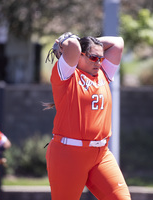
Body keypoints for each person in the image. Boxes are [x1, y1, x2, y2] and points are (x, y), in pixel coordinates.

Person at [44, 33, 131, 200]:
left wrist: (89, 41)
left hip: (100, 154)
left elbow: (118, 43)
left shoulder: (102, 74)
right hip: (69, 155)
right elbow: (73, 47)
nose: (98, 62)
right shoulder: (67, 77)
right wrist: (69, 42)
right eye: (93, 57)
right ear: (79, 56)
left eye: (101, 58)